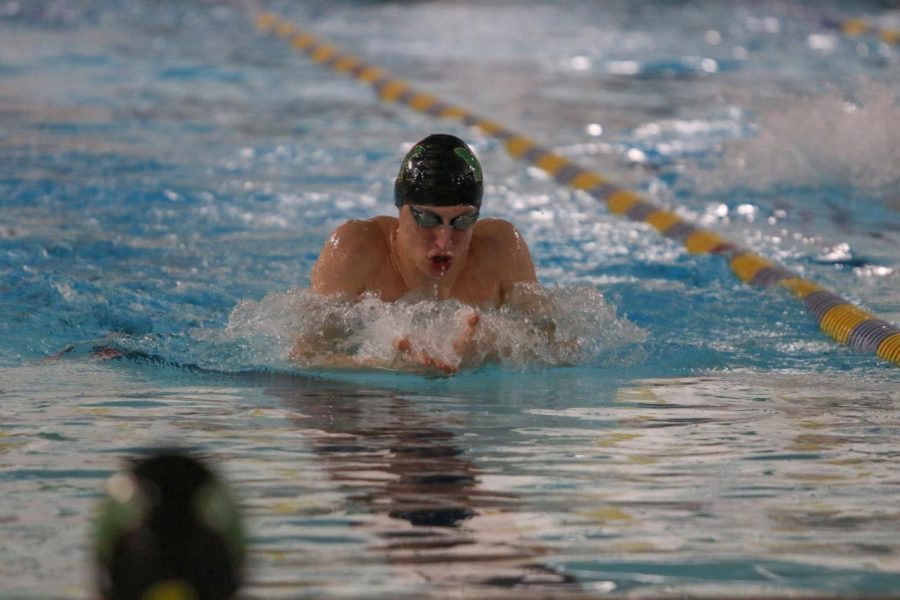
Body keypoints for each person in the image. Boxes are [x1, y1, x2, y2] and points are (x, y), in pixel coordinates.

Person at [299, 133, 552, 375]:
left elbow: (559, 345)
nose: (443, 239)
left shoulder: (501, 249)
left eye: (462, 221)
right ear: (401, 209)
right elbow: (305, 357)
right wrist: (385, 363)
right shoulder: (356, 248)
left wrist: (489, 350)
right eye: (427, 219)